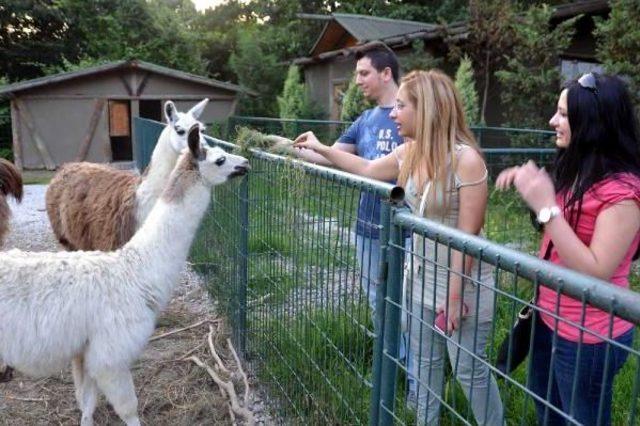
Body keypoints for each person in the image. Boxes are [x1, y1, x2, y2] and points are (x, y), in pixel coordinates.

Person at [294, 69, 504, 425]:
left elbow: (468, 237)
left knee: (468, 371)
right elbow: (366, 167)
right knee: (423, 365)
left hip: (463, 285)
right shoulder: (409, 153)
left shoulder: (466, 160)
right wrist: (319, 147)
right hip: (419, 276)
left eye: (401, 106)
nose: (393, 113)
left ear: (428, 110)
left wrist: (453, 298)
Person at [496, 73, 640, 425]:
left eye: (562, 114)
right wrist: (534, 190)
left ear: (592, 124)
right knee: (547, 409)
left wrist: (546, 206)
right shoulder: (580, 169)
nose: (552, 121)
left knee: (580, 419)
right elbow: (560, 239)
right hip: (551, 315)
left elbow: (596, 270)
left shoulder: (624, 192)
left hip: (590, 335)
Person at [288, 46, 415, 394]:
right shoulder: (364, 121)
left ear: (385, 73)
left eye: (363, 73)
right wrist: (288, 148)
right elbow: (333, 157)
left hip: (410, 231)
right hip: (368, 228)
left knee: (411, 306)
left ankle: (420, 379)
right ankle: (394, 368)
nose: (357, 81)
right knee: (377, 300)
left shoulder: (413, 116)